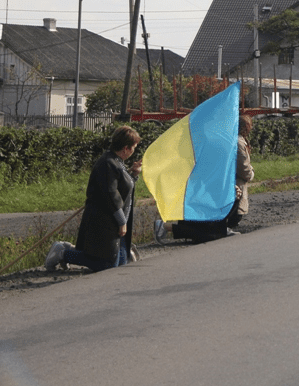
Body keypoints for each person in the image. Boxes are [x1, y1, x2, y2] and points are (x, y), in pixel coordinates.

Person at [46, 126, 142, 272]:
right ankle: (63, 253)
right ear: (125, 148)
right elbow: (111, 195)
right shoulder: (107, 164)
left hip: (115, 221)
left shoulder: (117, 162)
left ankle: (70, 250)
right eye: (133, 147)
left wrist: (134, 175)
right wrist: (122, 222)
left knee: (121, 264)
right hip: (103, 220)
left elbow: (124, 188)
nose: (134, 151)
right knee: (107, 266)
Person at [155, 115, 256, 244]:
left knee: (208, 223)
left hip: (209, 184)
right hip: (223, 184)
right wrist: (250, 174)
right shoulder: (235, 142)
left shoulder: (219, 140)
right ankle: (221, 230)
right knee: (210, 227)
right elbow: (243, 167)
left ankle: (222, 229)